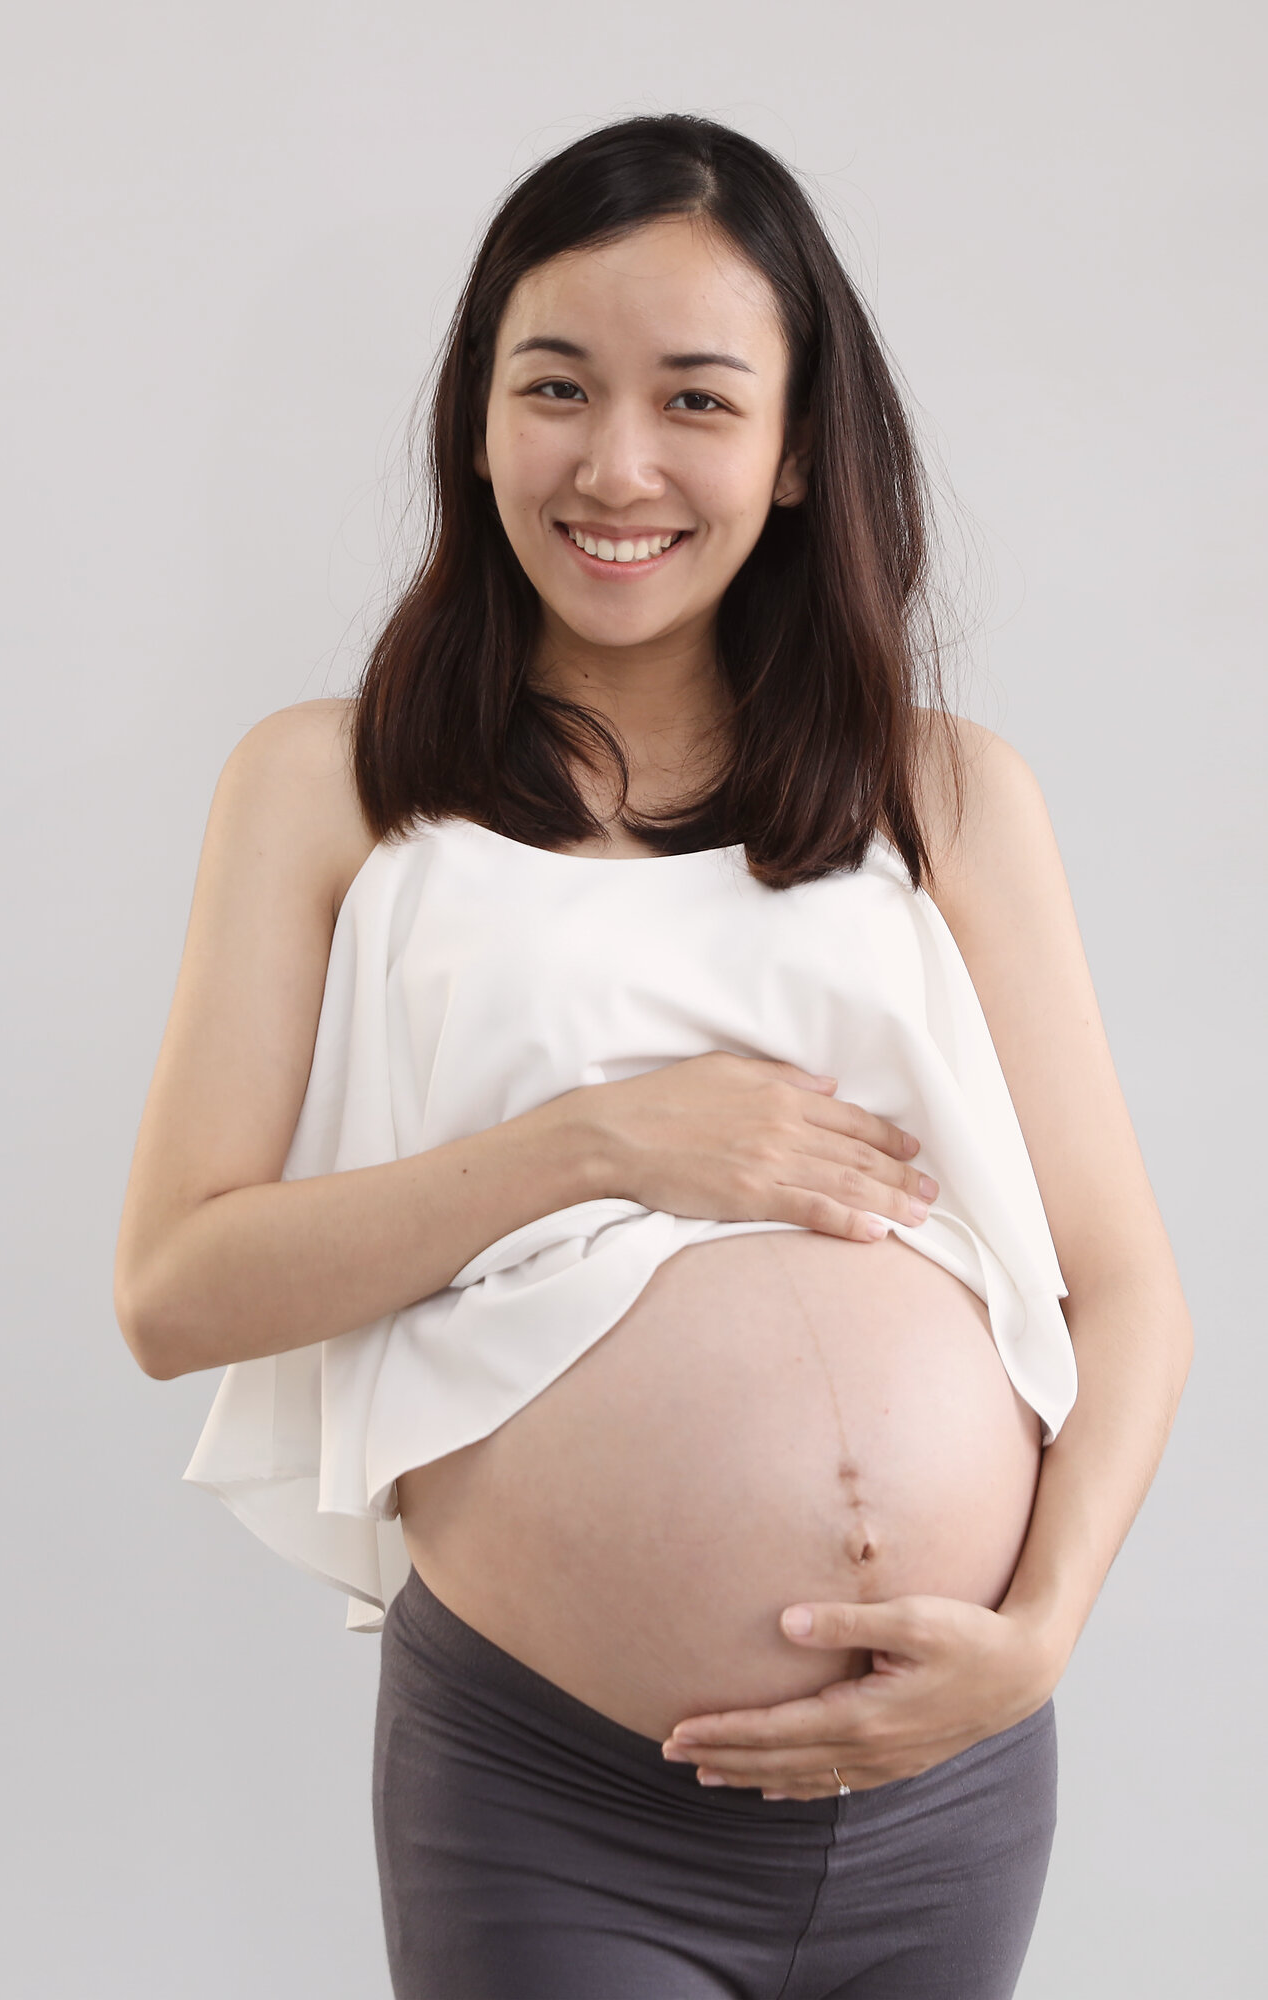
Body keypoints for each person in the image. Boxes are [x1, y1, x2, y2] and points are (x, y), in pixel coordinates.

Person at [115, 114, 1194, 2000]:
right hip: (556, 1788)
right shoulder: (331, 787)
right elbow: (174, 1289)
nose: (615, 465)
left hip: (946, 1780)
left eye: (696, 400)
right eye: (555, 388)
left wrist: (1039, 1637)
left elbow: (1123, 1290)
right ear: (475, 415)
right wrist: (600, 1142)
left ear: (792, 454)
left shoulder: (940, 797)